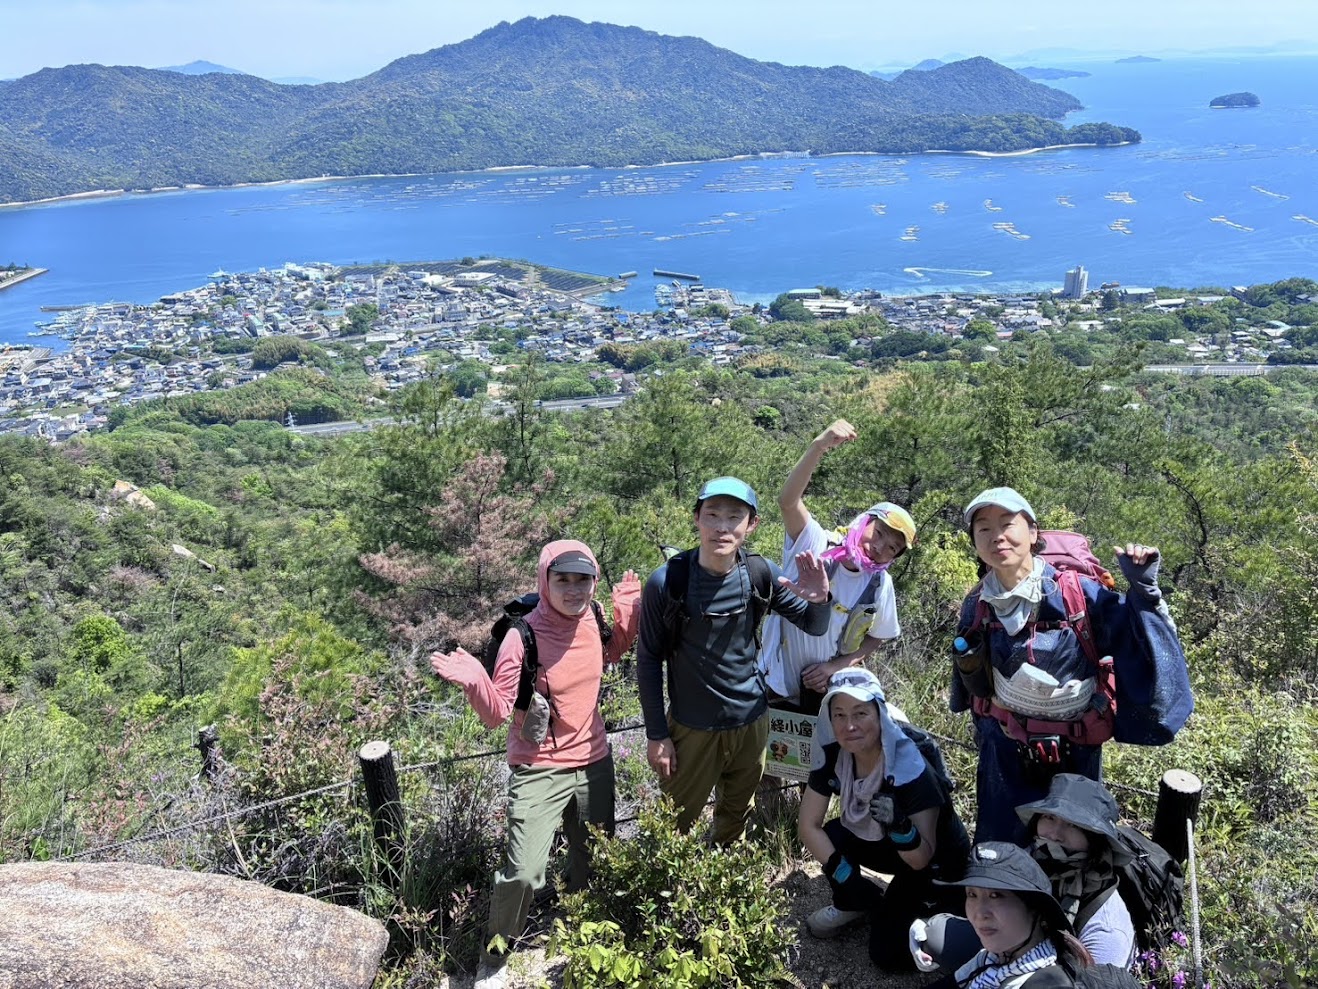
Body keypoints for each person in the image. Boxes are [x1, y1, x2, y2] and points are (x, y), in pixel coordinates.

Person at [429, 540, 640, 989]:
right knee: (524, 869)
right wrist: (475, 683)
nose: (573, 589)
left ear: (594, 581)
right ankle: (495, 954)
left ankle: (582, 929)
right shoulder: (520, 635)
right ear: (545, 580)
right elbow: (497, 714)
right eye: (562, 579)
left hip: (594, 758)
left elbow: (612, 652)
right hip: (538, 763)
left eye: (582, 579)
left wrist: (629, 610)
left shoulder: (596, 618)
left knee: (593, 856)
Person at [954, 486, 1177, 842]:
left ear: (1033, 532)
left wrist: (1144, 592)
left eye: (1008, 523)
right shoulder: (978, 602)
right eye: (983, 528)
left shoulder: (1078, 593)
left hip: (1076, 747)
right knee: (1003, 845)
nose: (996, 536)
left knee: (1072, 847)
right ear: (975, 542)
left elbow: (1138, 641)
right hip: (1005, 746)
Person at [637, 476, 831, 843]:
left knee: (735, 814)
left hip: (751, 722)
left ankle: (721, 877)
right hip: (691, 726)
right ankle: (671, 893)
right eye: (712, 515)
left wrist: (821, 600)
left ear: (751, 524)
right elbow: (648, 659)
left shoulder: (760, 573)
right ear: (697, 518)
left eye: (734, 517)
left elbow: (813, 626)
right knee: (674, 823)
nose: (722, 527)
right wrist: (656, 734)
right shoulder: (668, 582)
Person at [798, 667, 970, 971]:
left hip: (933, 860)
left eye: (860, 713)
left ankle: (942, 912)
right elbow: (808, 826)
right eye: (839, 715)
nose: (849, 725)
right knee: (835, 834)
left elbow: (921, 857)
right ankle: (855, 903)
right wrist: (845, 876)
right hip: (887, 845)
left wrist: (900, 826)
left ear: (879, 713)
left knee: (887, 954)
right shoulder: (834, 754)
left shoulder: (912, 765)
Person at [758, 418, 916, 714]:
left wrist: (836, 666)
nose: (880, 547)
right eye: (879, 533)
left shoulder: (879, 585)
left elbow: (877, 636)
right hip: (771, 682)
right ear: (864, 521)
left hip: (824, 694)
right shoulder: (816, 543)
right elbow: (788, 502)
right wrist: (818, 447)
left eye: (892, 547)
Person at [910, 774, 1137, 972]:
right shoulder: (1032, 857)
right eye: (1049, 817)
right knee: (936, 934)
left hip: (1057, 977)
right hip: (1021, 948)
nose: (1055, 834)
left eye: (1074, 825)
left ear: (1095, 840)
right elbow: (984, 900)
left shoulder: (1107, 929)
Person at [925, 842, 1142, 989]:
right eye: (972, 894)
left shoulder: (1046, 982)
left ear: (1036, 909)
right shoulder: (995, 957)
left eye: (996, 896)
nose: (980, 912)